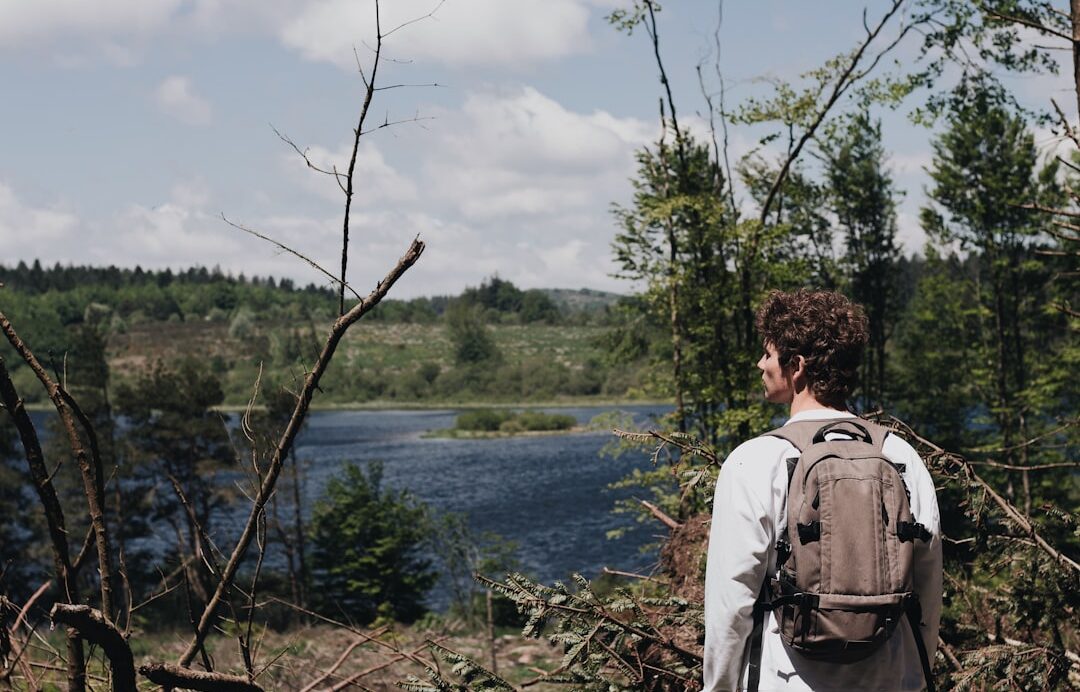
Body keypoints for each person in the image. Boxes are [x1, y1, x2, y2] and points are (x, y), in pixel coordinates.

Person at [702, 289, 942, 691]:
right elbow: (928, 586)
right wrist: (918, 674)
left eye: (768, 353)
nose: (760, 364)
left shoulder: (753, 461)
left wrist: (719, 687)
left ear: (796, 367)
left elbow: (731, 602)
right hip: (890, 677)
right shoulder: (901, 456)